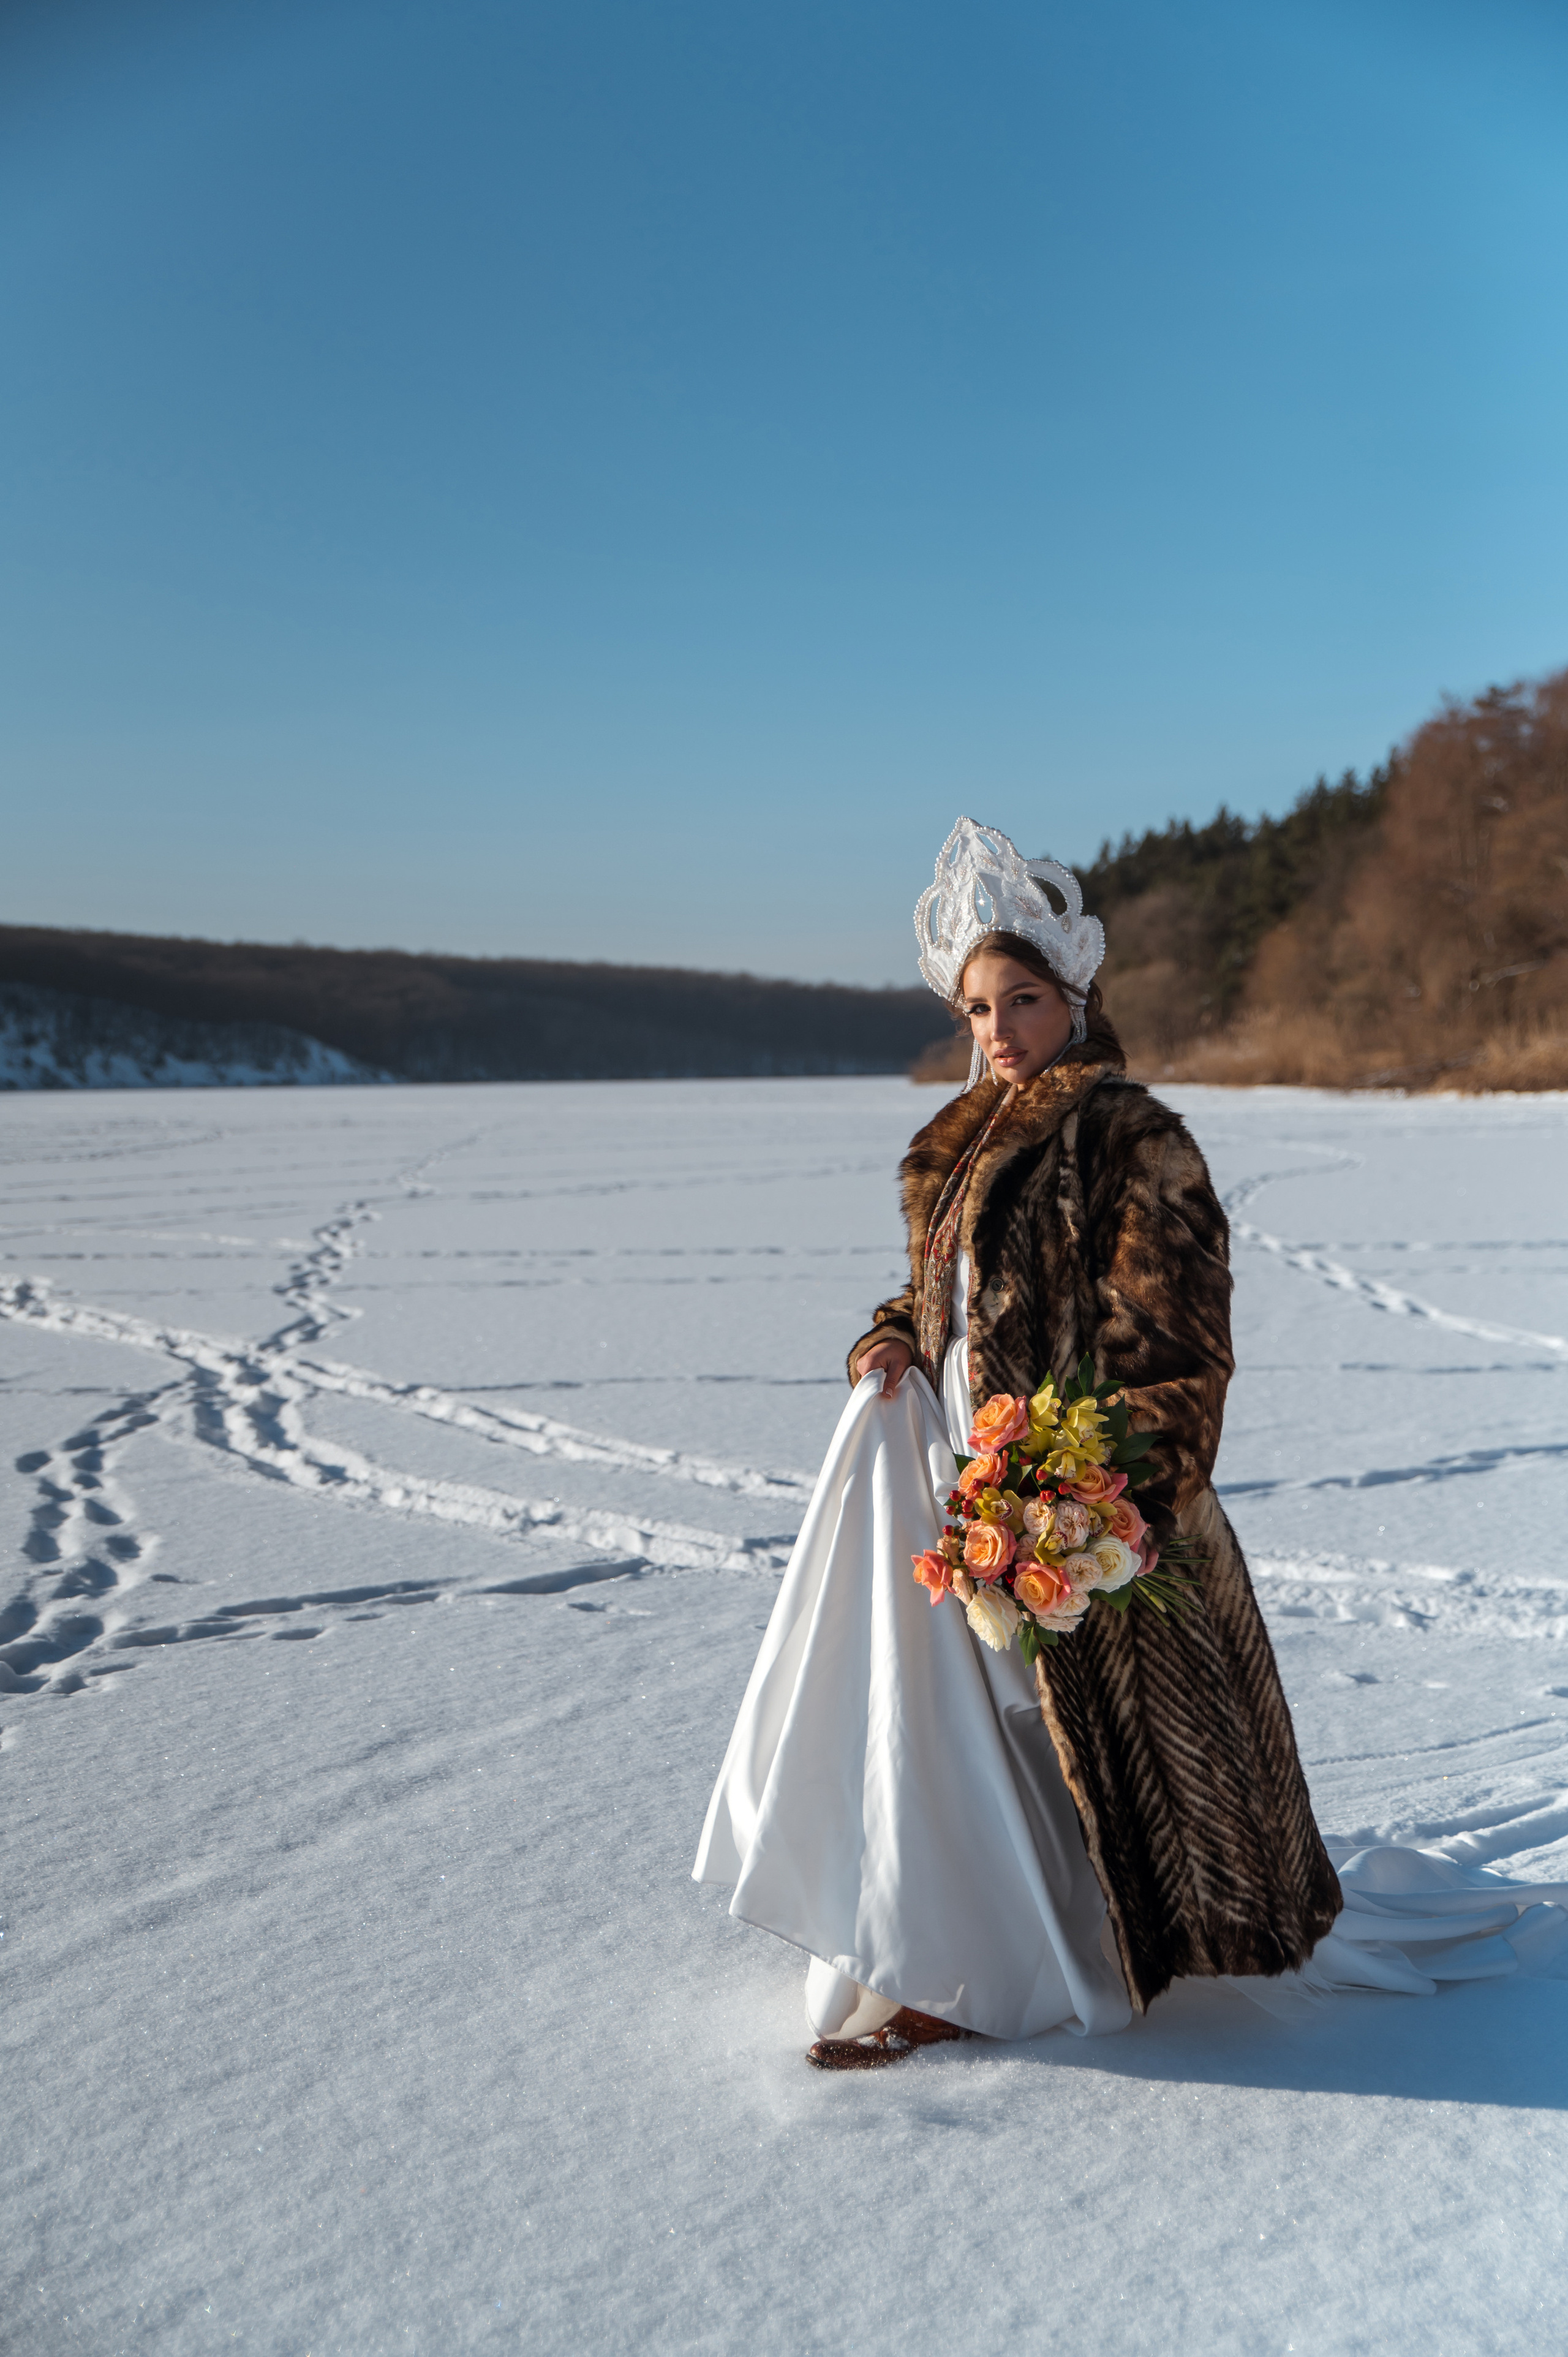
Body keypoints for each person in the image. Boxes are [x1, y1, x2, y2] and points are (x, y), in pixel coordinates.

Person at [694, 818, 1567, 2068]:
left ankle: (1038, 1953)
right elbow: (940, 1298)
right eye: (978, 1007)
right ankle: (948, 1951)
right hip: (963, 1487)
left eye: (1024, 1000)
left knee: (1071, 1751)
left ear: (1075, 999)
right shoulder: (958, 1145)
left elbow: (1175, 1349)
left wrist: (1085, 1496)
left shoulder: (1130, 1137)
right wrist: (887, 1340)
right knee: (957, 1735)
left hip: (1088, 1506)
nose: (997, 1029)